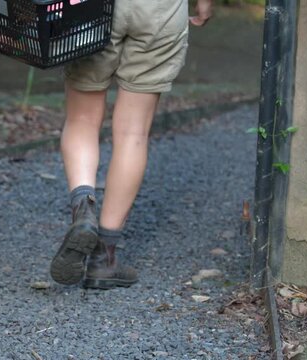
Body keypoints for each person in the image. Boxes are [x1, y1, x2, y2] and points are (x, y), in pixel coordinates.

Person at [49, 0, 214, 289]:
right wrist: (204, 5)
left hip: (95, 9)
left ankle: (84, 209)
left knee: (82, 119)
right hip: (160, 12)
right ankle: (104, 259)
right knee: (133, 133)